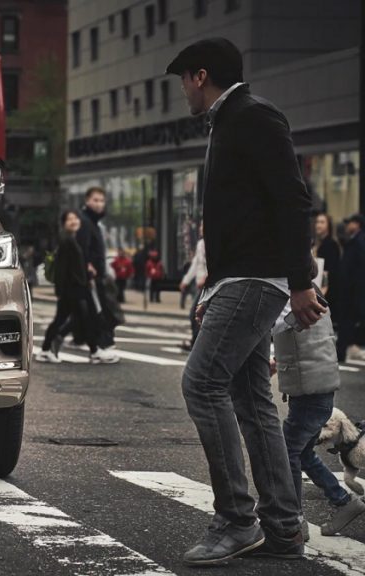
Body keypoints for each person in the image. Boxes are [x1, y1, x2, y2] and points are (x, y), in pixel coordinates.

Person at [167, 37, 323, 566]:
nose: (183, 90)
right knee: (251, 399)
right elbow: (236, 219)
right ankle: (283, 528)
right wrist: (211, 287)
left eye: (184, 79)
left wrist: (301, 281)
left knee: (202, 383)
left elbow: (292, 199)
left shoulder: (254, 116)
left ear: (201, 75)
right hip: (238, 278)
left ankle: (237, 520)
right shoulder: (228, 122)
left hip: (258, 278)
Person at [272, 266, 365, 539]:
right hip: (314, 392)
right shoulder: (310, 295)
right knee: (302, 453)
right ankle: (343, 501)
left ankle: (293, 519)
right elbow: (304, 342)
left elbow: (274, 324)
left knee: (287, 452)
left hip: (311, 396)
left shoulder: (297, 297)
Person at [35, 211, 118, 364]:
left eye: (75, 218)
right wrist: (63, 289)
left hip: (74, 288)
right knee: (82, 319)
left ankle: (46, 350)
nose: (74, 221)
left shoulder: (71, 239)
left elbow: (76, 265)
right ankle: (94, 352)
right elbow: (63, 268)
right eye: (70, 219)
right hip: (73, 289)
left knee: (69, 319)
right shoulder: (67, 241)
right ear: (64, 224)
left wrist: (87, 274)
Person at [75, 187, 120, 358]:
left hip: (96, 275)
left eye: (101, 200)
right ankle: (100, 346)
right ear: (87, 201)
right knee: (97, 312)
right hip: (91, 276)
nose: (99, 204)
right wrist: (88, 266)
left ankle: (57, 343)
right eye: (95, 200)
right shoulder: (85, 221)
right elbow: (83, 247)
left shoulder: (94, 222)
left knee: (86, 311)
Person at [336, 213, 365, 362]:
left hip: (352, 292)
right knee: (347, 322)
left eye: (349, 223)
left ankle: (340, 352)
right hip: (351, 291)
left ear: (357, 224)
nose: (347, 226)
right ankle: (341, 351)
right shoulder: (355, 240)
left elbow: (359, 269)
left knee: (346, 322)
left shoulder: (359, 241)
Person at [180, 223, 207, 350]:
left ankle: (197, 344)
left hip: (208, 285)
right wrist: (185, 281)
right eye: (201, 226)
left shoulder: (213, 242)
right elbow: (196, 264)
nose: (201, 228)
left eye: (203, 226)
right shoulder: (201, 244)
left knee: (194, 314)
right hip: (200, 285)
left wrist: (206, 278)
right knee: (197, 315)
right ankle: (196, 343)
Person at [314, 213, 341, 298]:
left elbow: (330, 270)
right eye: (317, 222)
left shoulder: (331, 244)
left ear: (328, 225)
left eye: (322, 222)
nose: (318, 225)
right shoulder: (319, 243)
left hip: (327, 291)